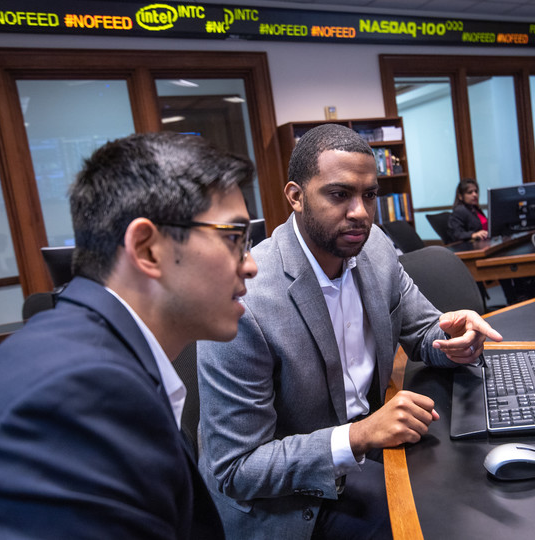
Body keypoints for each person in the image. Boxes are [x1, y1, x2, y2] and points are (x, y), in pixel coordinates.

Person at [0, 132, 259, 539]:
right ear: (148, 250)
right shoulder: (85, 391)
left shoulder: (86, 349)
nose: (251, 264)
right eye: (234, 238)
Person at [195, 124, 503, 540]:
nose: (360, 211)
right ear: (295, 196)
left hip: (372, 449)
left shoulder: (374, 246)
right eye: (339, 194)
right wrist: (358, 436)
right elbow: (238, 469)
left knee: (477, 493)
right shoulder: (244, 301)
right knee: (435, 524)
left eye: (370, 195)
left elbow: (425, 329)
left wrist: (456, 341)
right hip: (290, 501)